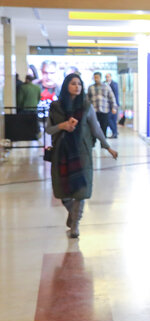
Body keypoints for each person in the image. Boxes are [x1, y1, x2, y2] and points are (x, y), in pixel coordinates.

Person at [46, 74, 118, 238]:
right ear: (66, 86)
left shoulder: (86, 107)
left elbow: (96, 128)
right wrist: (63, 126)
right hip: (61, 152)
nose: (77, 86)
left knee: (81, 191)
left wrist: (107, 147)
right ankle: (73, 214)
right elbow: (49, 129)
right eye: (73, 84)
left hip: (81, 152)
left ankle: (75, 226)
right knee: (63, 191)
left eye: (79, 84)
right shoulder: (56, 107)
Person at [87, 72, 117, 138]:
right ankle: (93, 143)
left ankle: (103, 144)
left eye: (97, 77)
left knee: (104, 127)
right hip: (94, 111)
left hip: (104, 110)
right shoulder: (90, 87)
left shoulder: (106, 87)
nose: (96, 79)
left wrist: (114, 107)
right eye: (94, 77)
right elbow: (87, 99)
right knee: (93, 128)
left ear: (100, 78)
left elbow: (112, 97)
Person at [105, 73, 120, 138]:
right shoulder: (104, 84)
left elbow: (116, 95)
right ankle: (115, 132)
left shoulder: (114, 84)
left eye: (108, 77)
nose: (107, 78)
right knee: (109, 119)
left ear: (111, 77)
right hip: (107, 105)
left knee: (112, 119)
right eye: (106, 77)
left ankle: (115, 132)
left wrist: (115, 105)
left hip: (113, 104)